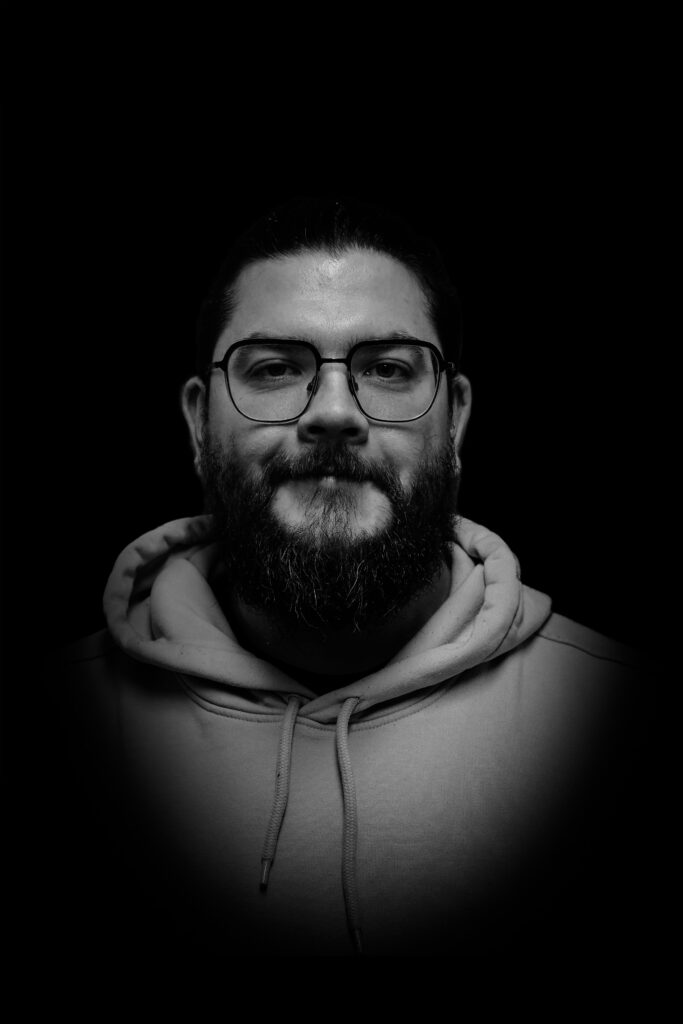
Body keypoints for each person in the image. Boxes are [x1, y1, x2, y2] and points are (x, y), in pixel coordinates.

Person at [50, 197, 648, 959]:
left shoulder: (619, 720)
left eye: (388, 369)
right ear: (198, 423)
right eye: (274, 368)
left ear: (455, 419)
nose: (333, 412)